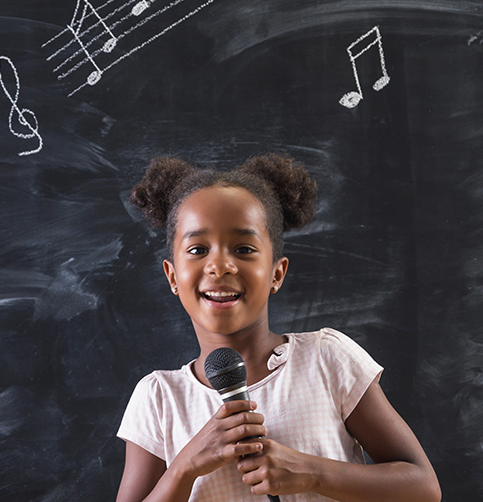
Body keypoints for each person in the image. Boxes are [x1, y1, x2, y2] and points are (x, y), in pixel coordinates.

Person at [116, 154, 441, 502]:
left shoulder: (326, 359)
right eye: (197, 249)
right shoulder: (159, 398)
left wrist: (311, 472)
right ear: (172, 276)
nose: (220, 266)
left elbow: (423, 487)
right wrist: (186, 465)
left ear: (276, 273)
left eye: (243, 248)